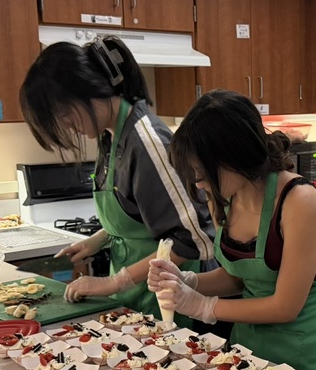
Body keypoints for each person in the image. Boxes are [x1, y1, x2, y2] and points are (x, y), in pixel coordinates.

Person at [148, 90, 316, 370]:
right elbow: (239, 278)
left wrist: (203, 306)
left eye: (202, 171)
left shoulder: (299, 201)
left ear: (236, 155)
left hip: (300, 354)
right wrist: (187, 281)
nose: (198, 182)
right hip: (247, 349)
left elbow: (285, 306)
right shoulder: (222, 197)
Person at [19, 36, 215, 316]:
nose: (67, 126)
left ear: (88, 90)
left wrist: (113, 282)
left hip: (173, 302)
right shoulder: (110, 136)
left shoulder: (146, 143)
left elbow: (192, 239)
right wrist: (99, 240)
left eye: (64, 114)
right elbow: (138, 217)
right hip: (139, 298)